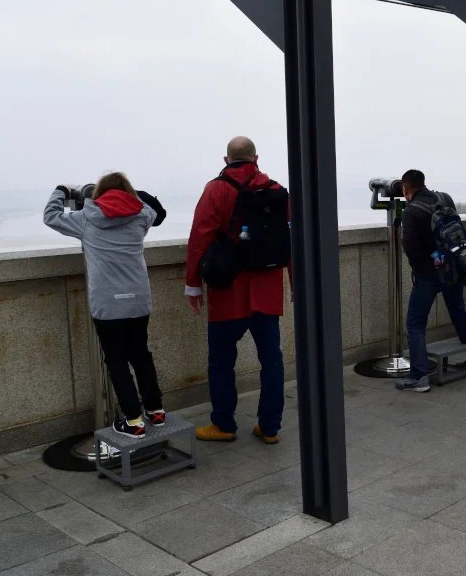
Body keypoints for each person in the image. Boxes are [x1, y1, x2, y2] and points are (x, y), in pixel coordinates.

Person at [185, 136, 293, 444]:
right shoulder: (275, 190)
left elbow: (200, 237)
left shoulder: (216, 189)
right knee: (271, 360)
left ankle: (223, 425)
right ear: (256, 158)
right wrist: (294, 283)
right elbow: (289, 240)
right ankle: (269, 428)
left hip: (228, 290)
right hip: (267, 290)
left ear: (226, 160)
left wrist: (193, 284)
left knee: (221, 362)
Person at [44, 173, 167, 439]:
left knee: (116, 360)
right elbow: (154, 208)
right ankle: (156, 411)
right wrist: (131, 193)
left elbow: (50, 216)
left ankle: (134, 421)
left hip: (108, 305)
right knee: (140, 354)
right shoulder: (141, 216)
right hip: (138, 301)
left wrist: (62, 189)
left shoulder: (86, 219)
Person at [398, 169, 466, 392]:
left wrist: (421, 269)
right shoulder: (444, 198)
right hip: (454, 267)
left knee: (415, 323)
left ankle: (419, 376)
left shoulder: (411, 211)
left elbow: (410, 248)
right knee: (459, 313)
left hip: (429, 273)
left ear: (405, 189)